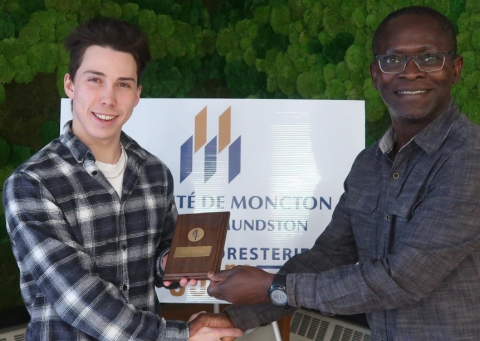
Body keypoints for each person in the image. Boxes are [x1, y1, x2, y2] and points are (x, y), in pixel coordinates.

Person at [207, 6, 480, 340]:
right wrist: (236, 319)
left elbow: (403, 279)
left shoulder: (469, 160)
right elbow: (329, 257)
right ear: (375, 74)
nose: (411, 72)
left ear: (455, 69)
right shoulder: (369, 163)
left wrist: (274, 287)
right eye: (392, 61)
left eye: (429, 58)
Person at [2, 17, 241, 341]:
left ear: (138, 93)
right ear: (70, 84)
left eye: (123, 84)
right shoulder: (32, 183)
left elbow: (157, 255)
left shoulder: (155, 173)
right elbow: (77, 299)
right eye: (95, 80)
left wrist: (171, 264)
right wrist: (181, 335)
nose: (108, 99)